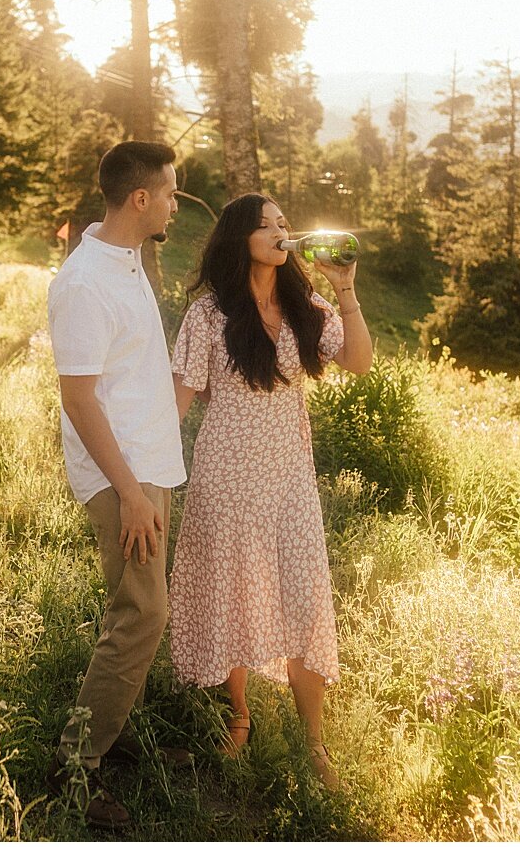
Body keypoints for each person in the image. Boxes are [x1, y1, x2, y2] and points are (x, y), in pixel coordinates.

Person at [167, 193, 374, 790]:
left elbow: (359, 362)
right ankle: (240, 716)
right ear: (242, 239)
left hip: (289, 481)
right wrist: (144, 478)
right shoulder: (209, 314)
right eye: (268, 224)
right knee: (235, 593)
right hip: (226, 478)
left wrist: (345, 289)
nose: (283, 231)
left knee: (306, 600)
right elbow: (178, 404)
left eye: (286, 222)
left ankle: (314, 743)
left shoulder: (306, 304)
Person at [44, 140, 185, 829]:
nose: (174, 205)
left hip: (148, 466)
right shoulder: (83, 282)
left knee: (136, 610)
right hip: (120, 476)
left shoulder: (126, 260)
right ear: (140, 198)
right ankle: (74, 766)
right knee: (141, 614)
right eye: (169, 193)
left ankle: (104, 722)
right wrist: (130, 490)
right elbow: (79, 398)